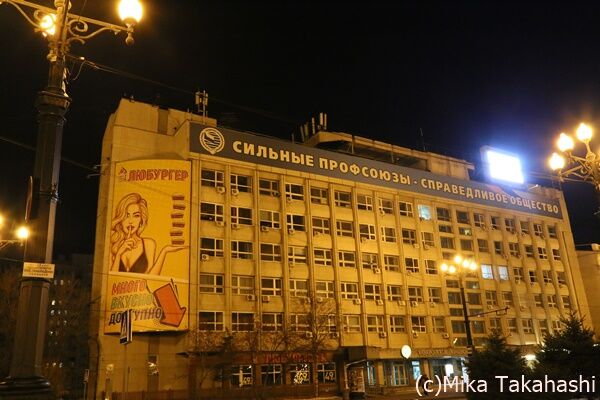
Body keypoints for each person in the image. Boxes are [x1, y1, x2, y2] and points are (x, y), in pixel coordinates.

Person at [110, 192, 186, 275]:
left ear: (141, 220)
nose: (131, 221)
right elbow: (109, 278)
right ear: (120, 220)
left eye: (136, 216)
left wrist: (164, 251)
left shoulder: (148, 244)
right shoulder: (113, 244)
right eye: (126, 215)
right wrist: (119, 254)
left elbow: (152, 277)